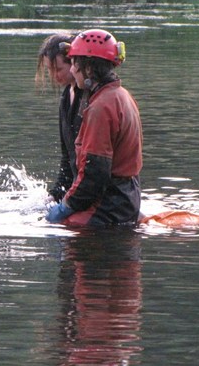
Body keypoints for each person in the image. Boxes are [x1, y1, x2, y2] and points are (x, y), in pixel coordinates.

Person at [45, 29, 143, 227]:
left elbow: (95, 175)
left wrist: (65, 206)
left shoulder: (100, 108)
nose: (72, 71)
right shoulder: (121, 95)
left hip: (108, 205)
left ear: (88, 69)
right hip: (125, 198)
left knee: (53, 226)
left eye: (74, 65)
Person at [35, 33, 84, 204]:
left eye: (58, 69)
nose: (54, 76)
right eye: (49, 70)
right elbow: (68, 158)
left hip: (89, 192)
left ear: (74, 64)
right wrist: (55, 194)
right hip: (79, 189)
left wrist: (70, 202)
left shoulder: (90, 98)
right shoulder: (65, 98)